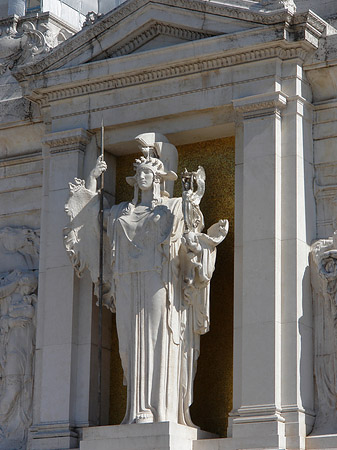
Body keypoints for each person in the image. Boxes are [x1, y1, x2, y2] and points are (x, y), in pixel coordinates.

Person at [64, 134, 228, 426]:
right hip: (127, 282)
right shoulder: (119, 213)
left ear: (159, 178)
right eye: (138, 173)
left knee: (158, 340)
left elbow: (193, 237)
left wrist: (195, 206)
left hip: (160, 283)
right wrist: (91, 182)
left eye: (147, 173)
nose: (142, 177)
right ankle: (136, 411)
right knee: (129, 345)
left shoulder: (174, 208)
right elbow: (89, 220)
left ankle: (160, 411)